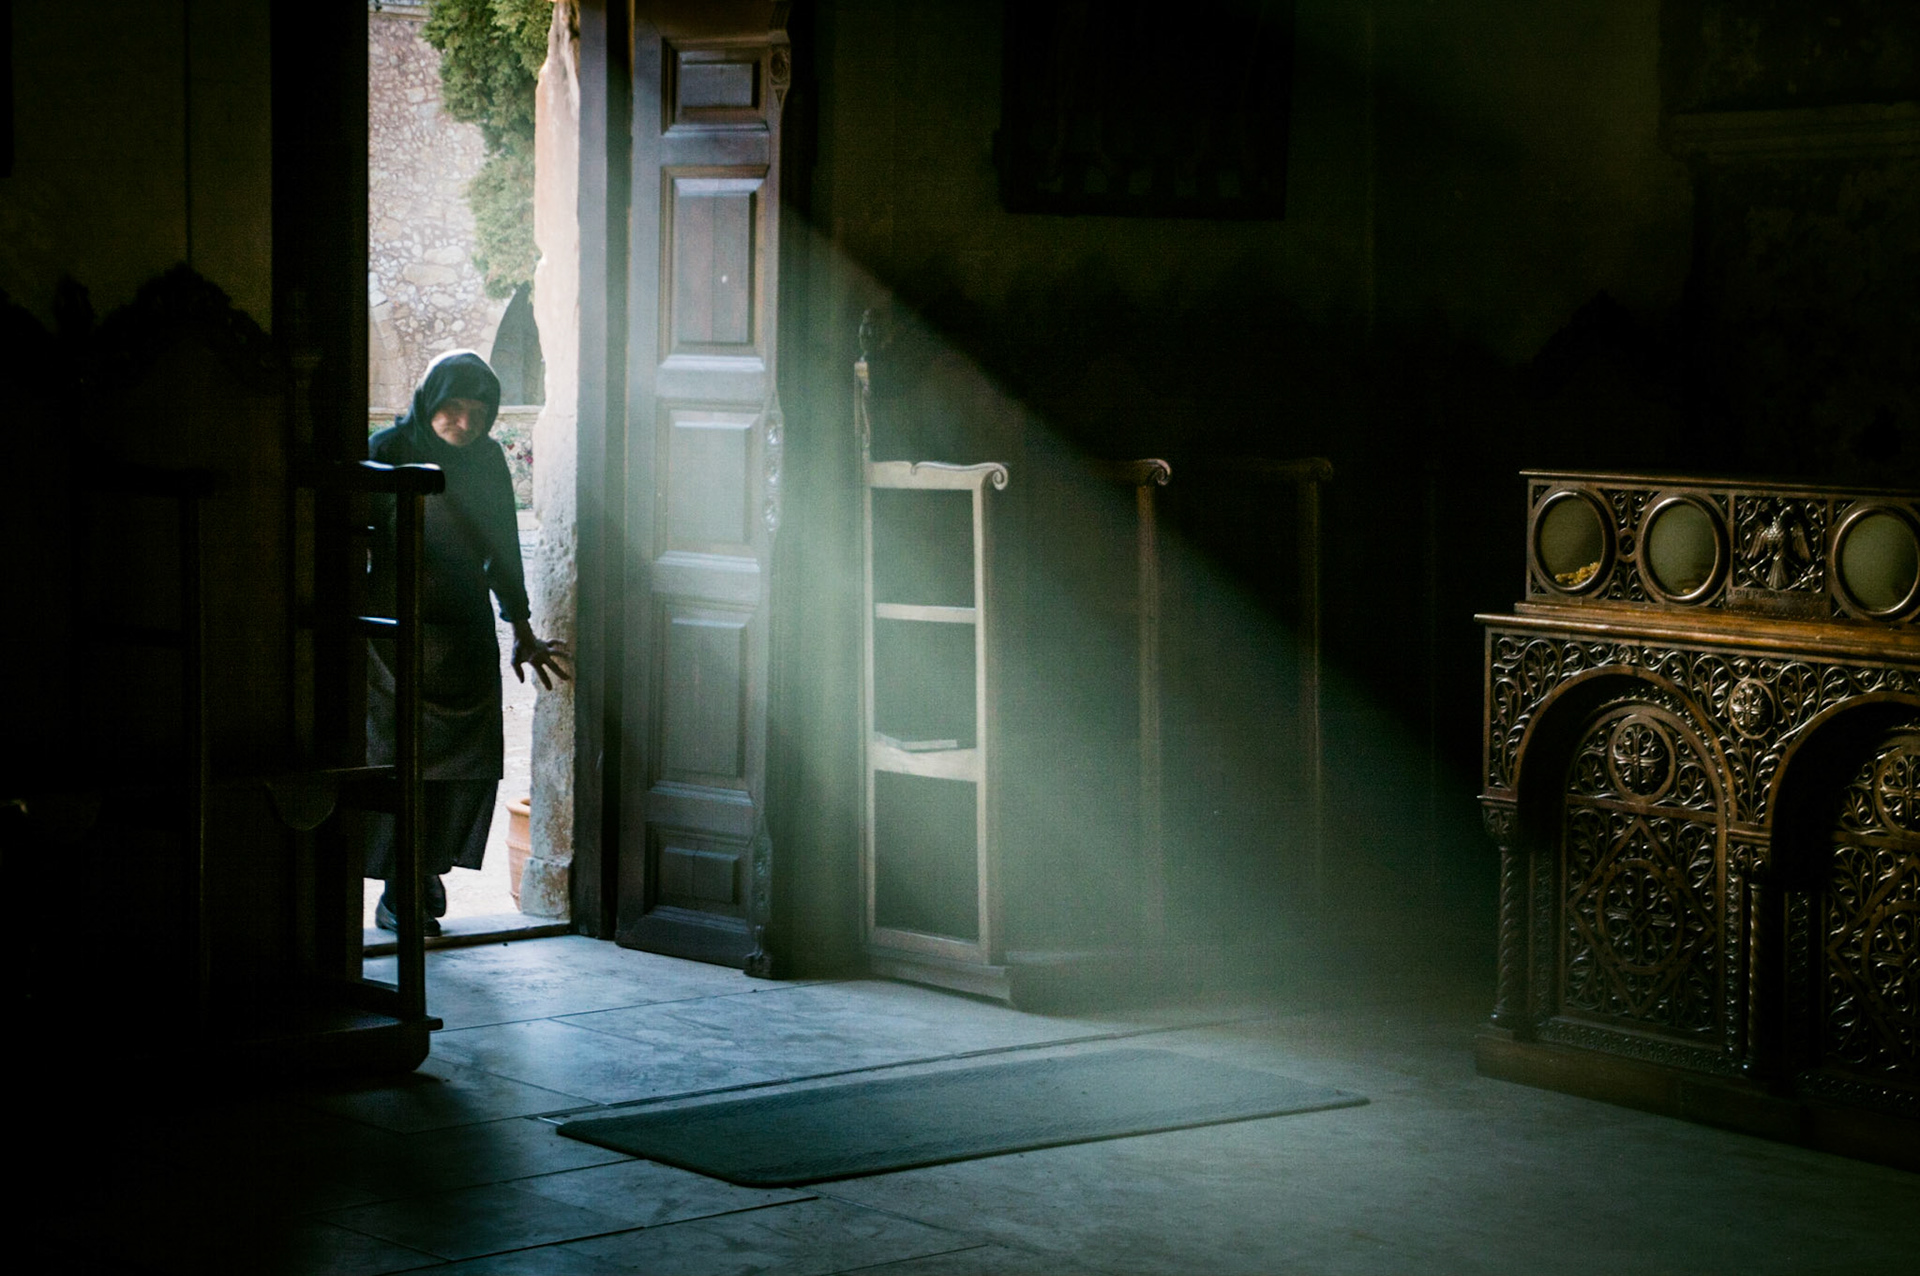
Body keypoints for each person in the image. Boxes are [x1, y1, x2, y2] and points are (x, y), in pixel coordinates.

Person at [364, 350, 569, 935]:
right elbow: (353, 535)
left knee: (466, 763)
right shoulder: (390, 449)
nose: (464, 423)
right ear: (430, 403)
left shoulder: (487, 463)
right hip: (393, 627)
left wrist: (521, 627)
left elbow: (503, 544)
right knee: (396, 757)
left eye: (478, 412)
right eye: (453, 409)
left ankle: (426, 867)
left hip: (464, 629)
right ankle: (399, 883)